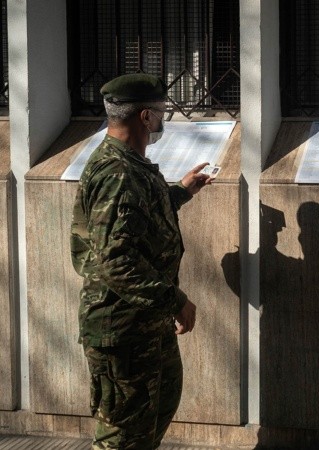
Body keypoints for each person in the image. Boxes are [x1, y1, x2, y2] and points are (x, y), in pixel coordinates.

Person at [70, 73, 212, 449]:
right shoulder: (118, 172)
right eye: (162, 112)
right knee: (123, 435)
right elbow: (116, 260)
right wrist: (175, 300)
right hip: (121, 329)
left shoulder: (129, 165)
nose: (162, 119)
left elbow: (135, 214)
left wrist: (180, 192)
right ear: (145, 117)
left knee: (155, 413)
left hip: (143, 323)